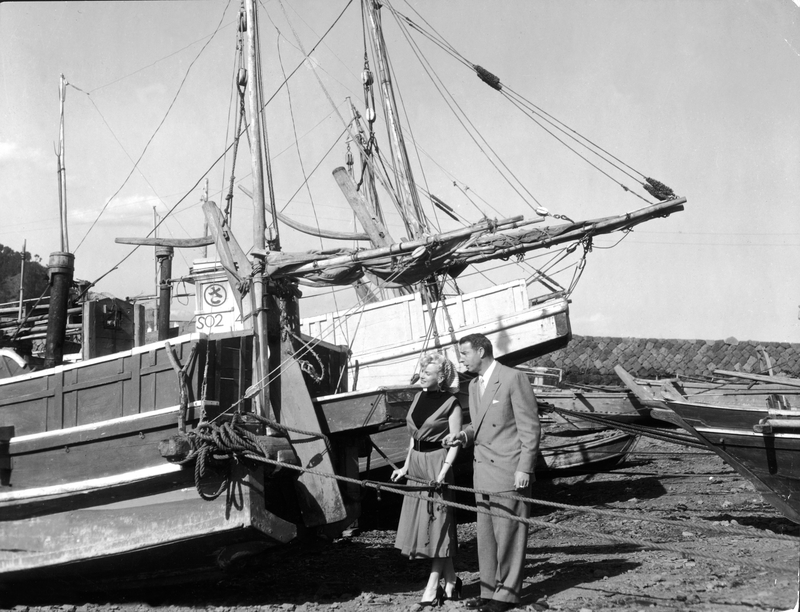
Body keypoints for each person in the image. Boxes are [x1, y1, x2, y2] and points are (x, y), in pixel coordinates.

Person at [442, 333, 540, 612]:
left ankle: (507, 596)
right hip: (483, 471)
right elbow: (480, 424)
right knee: (486, 537)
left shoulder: (513, 378)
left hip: (509, 471)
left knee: (509, 535)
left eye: (464, 353)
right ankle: (488, 591)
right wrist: (462, 436)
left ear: (482, 351)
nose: (460, 359)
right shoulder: (474, 385)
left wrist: (525, 467)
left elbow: (530, 428)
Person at [391, 351, 463, 606]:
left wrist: (443, 472)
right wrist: (404, 466)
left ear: (441, 377)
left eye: (428, 372)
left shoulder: (451, 403)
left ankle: (432, 588)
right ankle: (452, 582)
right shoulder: (418, 397)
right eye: (422, 371)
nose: (422, 375)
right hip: (418, 466)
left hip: (437, 464)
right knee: (429, 524)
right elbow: (414, 437)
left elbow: (455, 443)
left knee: (439, 524)